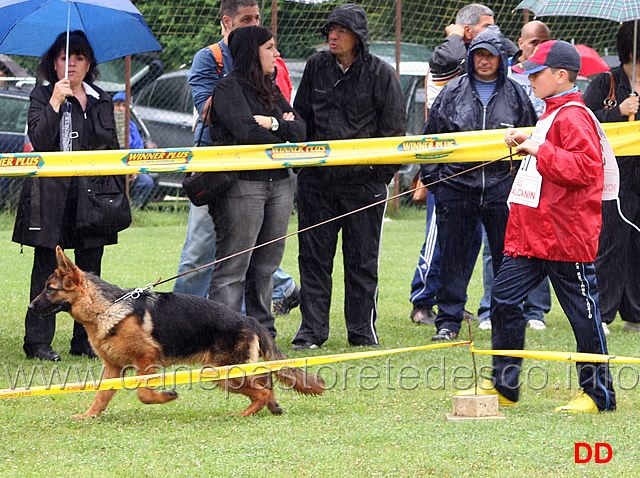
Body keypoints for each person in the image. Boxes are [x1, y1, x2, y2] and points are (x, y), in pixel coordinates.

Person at [461, 40, 616, 413]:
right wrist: (528, 142)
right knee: (503, 301)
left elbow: (585, 170)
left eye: (536, 73)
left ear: (561, 76)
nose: (529, 80)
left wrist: (537, 149)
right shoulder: (551, 113)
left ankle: (599, 395)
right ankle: (505, 386)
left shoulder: (575, 115)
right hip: (531, 236)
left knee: (584, 315)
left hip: (564, 236)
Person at [291, 4, 406, 349]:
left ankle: (362, 332)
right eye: (330, 30)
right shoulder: (315, 66)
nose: (333, 36)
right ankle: (311, 332)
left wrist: (377, 177)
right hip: (317, 185)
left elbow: (395, 132)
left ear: (358, 37)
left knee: (361, 262)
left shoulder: (381, 74)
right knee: (313, 261)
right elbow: (302, 117)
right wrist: (304, 165)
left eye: (341, 30)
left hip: (363, 187)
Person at [176, 0, 300, 315]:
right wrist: (248, 105)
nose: (254, 24)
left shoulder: (270, 63)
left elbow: (295, 122)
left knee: (258, 253)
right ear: (227, 22)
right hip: (220, 169)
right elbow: (210, 109)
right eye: (247, 19)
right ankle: (184, 317)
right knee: (201, 250)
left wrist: (273, 123)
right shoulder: (210, 58)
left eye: (258, 18)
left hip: (268, 174)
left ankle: (252, 323)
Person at [13, 31, 125, 361]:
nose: (71, 63)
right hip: (52, 196)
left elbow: (110, 145)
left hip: (94, 196)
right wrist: (55, 102)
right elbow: (40, 137)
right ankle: (37, 343)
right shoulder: (42, 94)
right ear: (53, 62)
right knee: (46, 267)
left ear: (89, 63)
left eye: (78, 57)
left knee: (90, 271)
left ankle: (84, 341)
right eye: (64, 57)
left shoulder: (102, 98)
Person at [421, 25, 537, 342]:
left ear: (501, 59)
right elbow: (430, 139)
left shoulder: (516, 94)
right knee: (453, 259)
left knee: (507, 259)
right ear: (471, 58)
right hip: (457, 190)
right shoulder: (452, 91)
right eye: (479, 55)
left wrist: (520, 186)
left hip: (503, 189)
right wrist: (437, 184)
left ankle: (505, 318)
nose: (484, 61)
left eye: (490, 55)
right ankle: (448, 321)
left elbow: (533, 140)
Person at [206, 25, 306, 338]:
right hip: (241, 187)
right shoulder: (227, 89)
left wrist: (274, 123)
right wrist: (281, 132)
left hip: (279, 184)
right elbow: (246, 133)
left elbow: (302, 130)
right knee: (234, 267)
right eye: (270, 48)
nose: (276, 54)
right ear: (252, 52)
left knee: (266, 267)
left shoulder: (272, 89)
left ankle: (264, 335)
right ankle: (223, 336)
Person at [477, 20, 553, 331]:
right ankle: (488, 308)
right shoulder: (504, 76)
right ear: (519, 43)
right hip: (500, 171)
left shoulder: (551, 79)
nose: (534, 48)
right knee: (494, 241)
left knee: (538, 238)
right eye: (531, 42)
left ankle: (535, 310)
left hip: (539, 167)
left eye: (541, 43)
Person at [583, 21, 640, 335]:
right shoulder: (605, 82)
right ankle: (601, 313)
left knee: (637, 243)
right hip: (613, 179)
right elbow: (586, 122)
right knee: (610, 243)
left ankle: (635, 312)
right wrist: (619, 110)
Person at [112, 91, 154, 208]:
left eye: (124, 105)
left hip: (131, 167)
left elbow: (139, 149)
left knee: (146, 181)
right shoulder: (106, 124)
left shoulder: (132, 127)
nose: (120, 109)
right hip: (111, 167)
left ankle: (132, 209)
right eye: (117, 105)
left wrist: (134, 169)